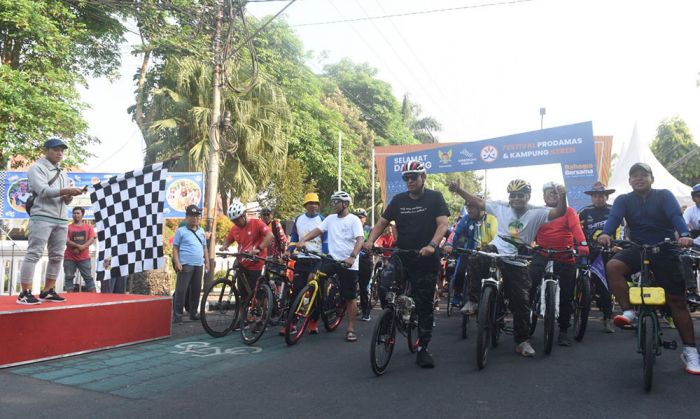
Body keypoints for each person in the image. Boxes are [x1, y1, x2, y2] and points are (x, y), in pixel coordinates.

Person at [597, 162, 700, 374]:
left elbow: (675, 217)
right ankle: (628, 310)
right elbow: (614, 219)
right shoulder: (624, 200)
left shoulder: (664, 195)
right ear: (629, 181)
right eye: (634, 176)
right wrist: (605, 233)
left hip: (665, 248)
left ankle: (690, 352)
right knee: (614, 266)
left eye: (643, 175)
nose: (639, 178)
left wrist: (686, 235)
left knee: (677, 301)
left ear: (652, 178)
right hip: (637, 248)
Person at [449, 179, 567, 357]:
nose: (516, 199)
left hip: (517, 257)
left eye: (520, 195)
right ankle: (473, 301)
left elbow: (560, 212)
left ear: (527, 196)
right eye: (513, 195)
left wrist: (562, 197)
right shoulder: (500, 207)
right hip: (497, 248)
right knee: (476, 258)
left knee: (521, 301)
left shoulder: (537, 212)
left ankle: (522, 341)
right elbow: (477, 201)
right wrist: (459, 190)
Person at [365, 160, 450, 368]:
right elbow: (382, 223)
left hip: (426, 258)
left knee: (423, 306)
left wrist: (432, 245)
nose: (410, 181)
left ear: (423, 177)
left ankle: (423, 348)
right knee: (384, 286)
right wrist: (369, 241)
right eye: (406, 178)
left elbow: (443, 224)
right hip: (401, 254)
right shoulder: (398, 200)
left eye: (414, 177)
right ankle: (388, 324)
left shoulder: (435, 198)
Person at [17, 138, 84, 305]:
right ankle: (24, 293)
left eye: (62, 150)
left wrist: (69, 196)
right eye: (55, 149)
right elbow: (43, 191)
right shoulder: (36, 168)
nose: (59, 153)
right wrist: (66, 190)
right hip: (42, 216)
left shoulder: (63, 172)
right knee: (34, 254)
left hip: (61, 219)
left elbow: (65, 200)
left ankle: (48, 290)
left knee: (57, 256)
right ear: (46, 150)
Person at [298, 191, 364, 342]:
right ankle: (322, 303)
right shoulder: (330, 218)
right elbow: (317, 231)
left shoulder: (354, 220)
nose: (333, 204)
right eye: (332, 201)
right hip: (332, 260)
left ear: (345, 204)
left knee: (350, 297)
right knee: (313, 277)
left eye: (336, 202)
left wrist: (352, 257)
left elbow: (360, 240)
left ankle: (350, 329)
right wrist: (303, 240)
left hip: (348, 263)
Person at [528, 182, 589, 346]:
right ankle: (526, 319)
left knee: (566, 294)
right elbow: (529, 230)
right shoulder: (538, 212)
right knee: (529, 285)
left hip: (565, 255)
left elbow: (576, 227)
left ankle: (563, 330)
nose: (553, 195)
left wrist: (582, 243)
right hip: (542, 253)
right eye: (549, 193)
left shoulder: (569, 211)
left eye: (556, 193)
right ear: (544, 196)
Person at [444, 197, 497, 315]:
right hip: (468, 253)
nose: (469, 210)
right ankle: (457, 295)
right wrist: (448, 243)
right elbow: (455, 232)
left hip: (487, 255)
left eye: (472, 207)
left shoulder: (490, 219)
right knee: (459, 272)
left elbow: (496, 236)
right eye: (467, 207)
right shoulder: (466, 219)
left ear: (481, 208)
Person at [578, 181, 618, 333]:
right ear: (591, 197)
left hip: (608, 251)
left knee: (604, 286)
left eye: (601, 196)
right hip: (587, 251)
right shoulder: (583, 212)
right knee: (576, 276)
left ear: (606, 197)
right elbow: (575, 229)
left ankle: (608, 318)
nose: (598, 199)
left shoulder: (614, 210)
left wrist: (616, 244)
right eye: (595, 196)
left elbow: (621, 228)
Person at [286, 193, 328, 335]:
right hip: (302, 259)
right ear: (305, 205)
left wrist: (326, 256)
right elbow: (294, 237)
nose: (313, 205)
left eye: (316, 203)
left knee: (315, 293)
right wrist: (289, 250)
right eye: (310, 203)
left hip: (317, 260)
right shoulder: (299, 219)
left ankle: (313, 321)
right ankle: (291, 323)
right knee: (297, 291)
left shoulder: (322, 220)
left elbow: (326, 240)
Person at [220, 200, 274, 303]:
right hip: (243, 263)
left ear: (244, 215)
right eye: (233, 221)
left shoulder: (257, 223)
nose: (236, 222)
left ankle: (264, 314)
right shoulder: (235, 228)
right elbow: (229, 239)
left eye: (237, 219)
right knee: (242, 293)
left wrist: (259, 249)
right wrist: (224, 246)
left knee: (258, 293)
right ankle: (243, 317)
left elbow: (270, 236)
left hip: (256, 263)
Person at [172, 205, 209, 323]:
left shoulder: (202, 231)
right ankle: (177, 316)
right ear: (187, 217)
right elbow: (175, 248)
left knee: (196, 290)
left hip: (199, 264)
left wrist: (207, 262)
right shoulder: (180, 231)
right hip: (185, 264)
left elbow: (205, 248)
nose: (195, 218)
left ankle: (193, 313)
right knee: (181, 291)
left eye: (197, 216)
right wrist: (177, 262)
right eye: (192, 216)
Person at [63, 206, 96, 292]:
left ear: (82, 215)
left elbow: (92, 239)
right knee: (69, 278)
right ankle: (70, 299)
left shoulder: (89, 227)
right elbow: (66, 241)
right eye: (74, 213)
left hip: (84, 258)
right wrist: (79, 246)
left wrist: (82, 247)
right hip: (69, 258)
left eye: (78, 213)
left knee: (88, 278)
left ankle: (95, 298)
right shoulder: (68, 227)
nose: (76, 215)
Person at [353, 208, 374, 321]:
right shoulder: (350, 228)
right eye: (356, 216)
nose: (358, 219)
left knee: (363, 288)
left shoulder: (369, 229)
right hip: (351, 260)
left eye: (360, 217)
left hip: (364, 261)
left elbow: (370, 244)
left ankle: (366, 312)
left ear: (365, 219)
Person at [681, 184, 700, 305]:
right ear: (693, 198)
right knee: (683, 257)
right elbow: (682, 225)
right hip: (694, 242)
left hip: (695, 241)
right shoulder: (690, 210)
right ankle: (691, 290)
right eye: (699, 196)